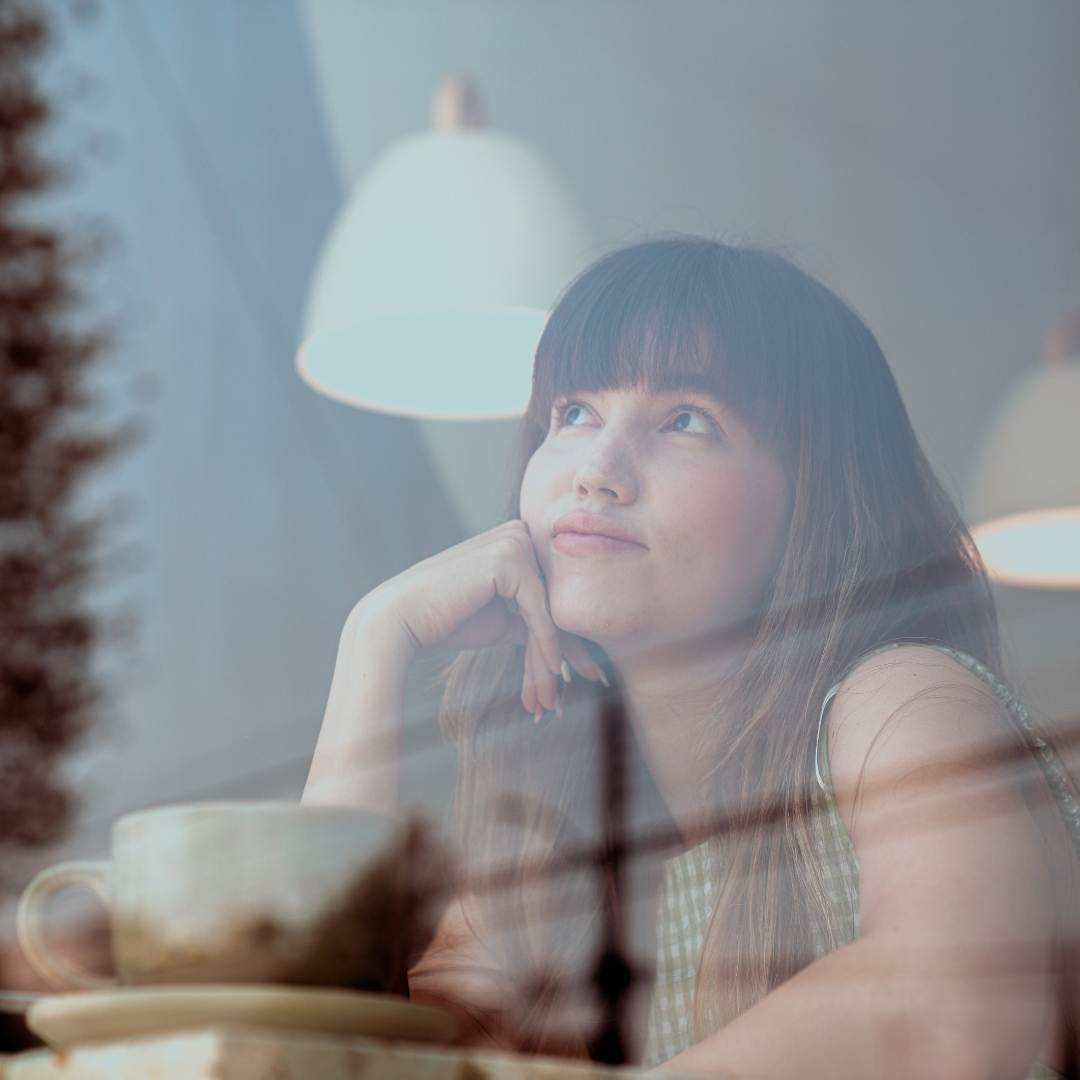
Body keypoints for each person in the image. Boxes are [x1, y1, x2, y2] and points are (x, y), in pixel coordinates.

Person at [303, 235, 1080, 1079]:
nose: (596, 471)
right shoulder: (563, 839)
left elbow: (948, 1021)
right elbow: (319, 1056)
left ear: (812, 493)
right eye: (573, 414)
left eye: (685, 420)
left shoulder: (901, 702)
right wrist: (374, 643)